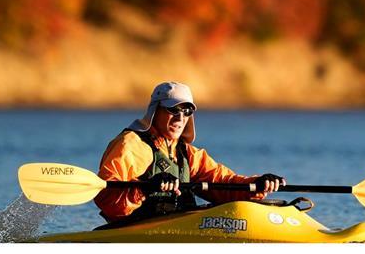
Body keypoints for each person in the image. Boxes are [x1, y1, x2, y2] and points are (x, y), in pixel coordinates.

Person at [95, 81, 286, 223]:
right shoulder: (132, 145)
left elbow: (223, 183)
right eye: (173, 110)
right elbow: (107, 198)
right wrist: (146, 187)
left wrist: (258, 184)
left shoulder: (187, 154)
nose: (180, 118)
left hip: (180, 227)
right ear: (156, 111)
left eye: (187, 111)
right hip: (136, 231)